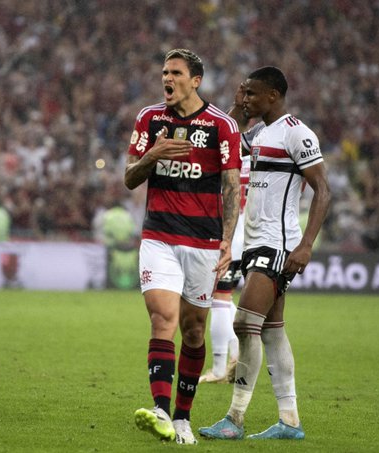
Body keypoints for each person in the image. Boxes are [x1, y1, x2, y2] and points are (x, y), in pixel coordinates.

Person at [198, 66, 330, 440]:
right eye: (245, 93)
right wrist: (239, 108)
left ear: (274, 95)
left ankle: (235, 419)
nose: (247, 99)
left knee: (243, 324)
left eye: (253, 94)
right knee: (271, 331)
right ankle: (289, 421)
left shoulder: (297, 133)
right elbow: (220, 140)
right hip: (256, 241)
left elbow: (322, 189)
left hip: (279, 243)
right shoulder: (257, 133)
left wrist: (306, 245)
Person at [124, 48, 241, 445]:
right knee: (163, 319)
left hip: (204, 241)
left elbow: (230, 187)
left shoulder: (221, 125)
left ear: (196, 80)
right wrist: (153, 155)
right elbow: (128, 177)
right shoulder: (149, 119)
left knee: (193, 330)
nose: (166, 79)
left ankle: (182, 417)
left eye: (175, 73)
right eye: (163, 72)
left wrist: (227, 239)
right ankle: (159, 409)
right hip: (159, 236)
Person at [199, 154, 250, 384]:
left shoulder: (226, 159)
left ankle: (220, 369)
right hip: (246, 236)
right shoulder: (256, 161)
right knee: (224, 298)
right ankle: (236, 356)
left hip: (225, 235)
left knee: (218, 300)